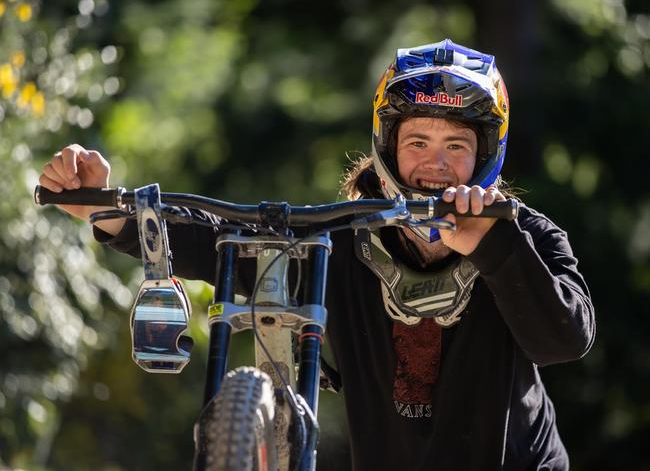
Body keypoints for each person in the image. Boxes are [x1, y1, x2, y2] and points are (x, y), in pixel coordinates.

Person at [39, 39, 595, 470]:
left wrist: (493, 246)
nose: (436, 164)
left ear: (486, 156)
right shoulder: (344, 240)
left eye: (456, 146)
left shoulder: (526, 236)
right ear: (387, 149)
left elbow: (564, 340)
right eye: (418, 143)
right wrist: (106, 212)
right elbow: (221, 245)